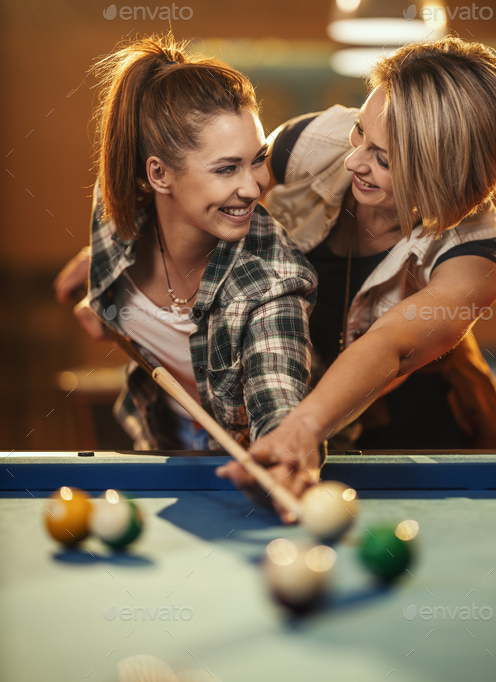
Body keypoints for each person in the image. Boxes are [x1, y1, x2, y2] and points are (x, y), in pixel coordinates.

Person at [216, 36, 496, 509]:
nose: (353, 161)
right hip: (291, 389)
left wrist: (300, 430)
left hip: (415, 421)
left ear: (442, 174)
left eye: (382, 159)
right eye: (359, 131)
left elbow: (388, 344)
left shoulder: (477, 258)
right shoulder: (311, 143)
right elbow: (214, 209)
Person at [57, 35, 317, 452]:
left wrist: (284, 456)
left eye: (257, 160)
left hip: (241, 456)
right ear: (158, 176)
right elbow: (117, 244)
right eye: (226, 168)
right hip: (160, 436)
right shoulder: (115, 202)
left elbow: (278, 408)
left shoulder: (272, 279)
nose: (254, 188)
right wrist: (98, 283)